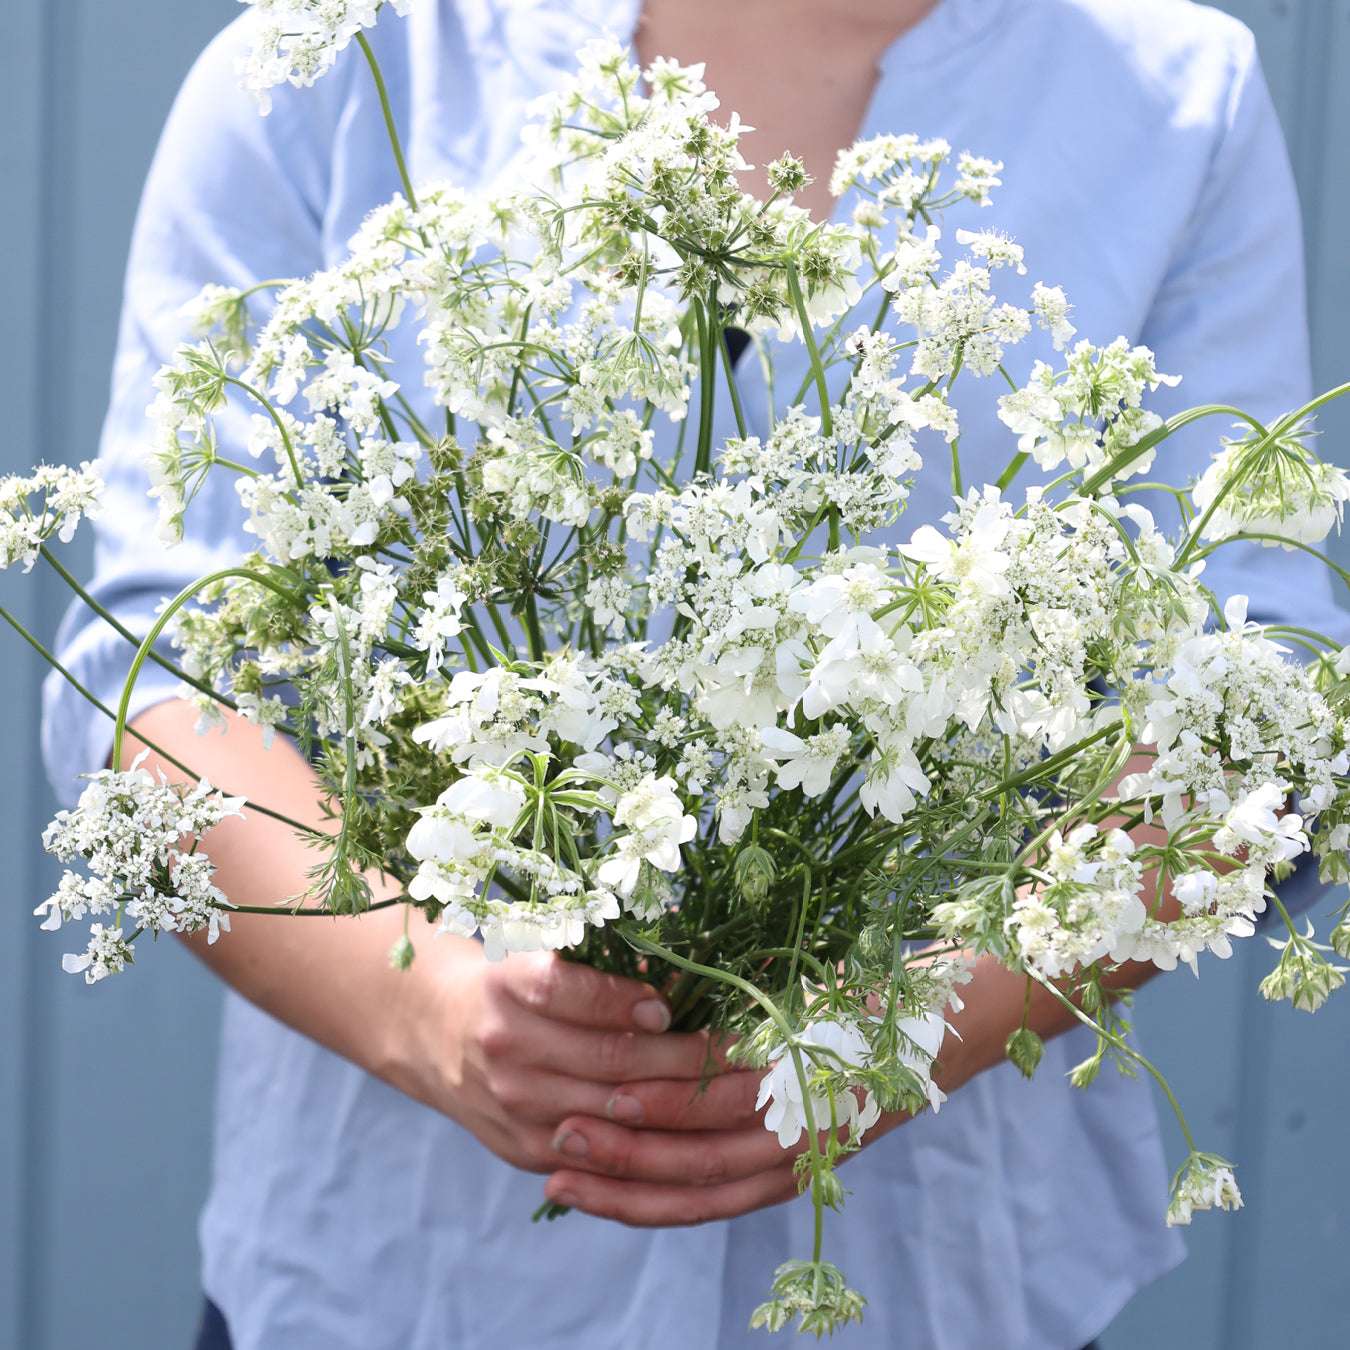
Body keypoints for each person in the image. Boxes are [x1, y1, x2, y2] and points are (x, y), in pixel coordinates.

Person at [41, 1, 1342, 1347]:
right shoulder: (335, 61)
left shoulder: (1173, 95)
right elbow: (150, 678)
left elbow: (1259, 707)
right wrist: (419, 1004)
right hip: (403, 1277)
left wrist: (907, 1027)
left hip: (931, 1278)